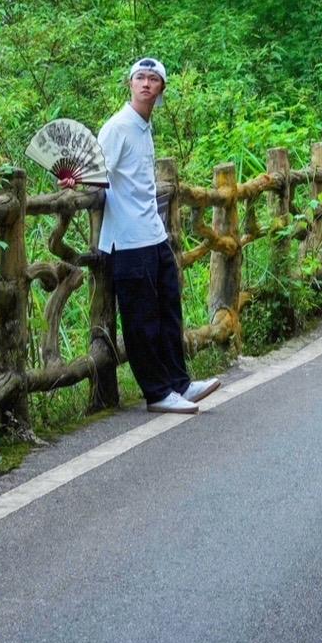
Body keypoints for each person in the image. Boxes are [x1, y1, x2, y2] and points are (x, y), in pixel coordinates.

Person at [68, 58, 219, 415]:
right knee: (141, 320)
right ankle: (157, 392)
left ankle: (179, 383)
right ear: (130, 84)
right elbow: (94, 171)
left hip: (153, 233)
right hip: (127, 239)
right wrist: (75, 179)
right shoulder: (118, 127)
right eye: (140, 78)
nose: (146, 84)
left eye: (153, 79)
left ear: (162, 88)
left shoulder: (143, 126)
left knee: (169, 310)